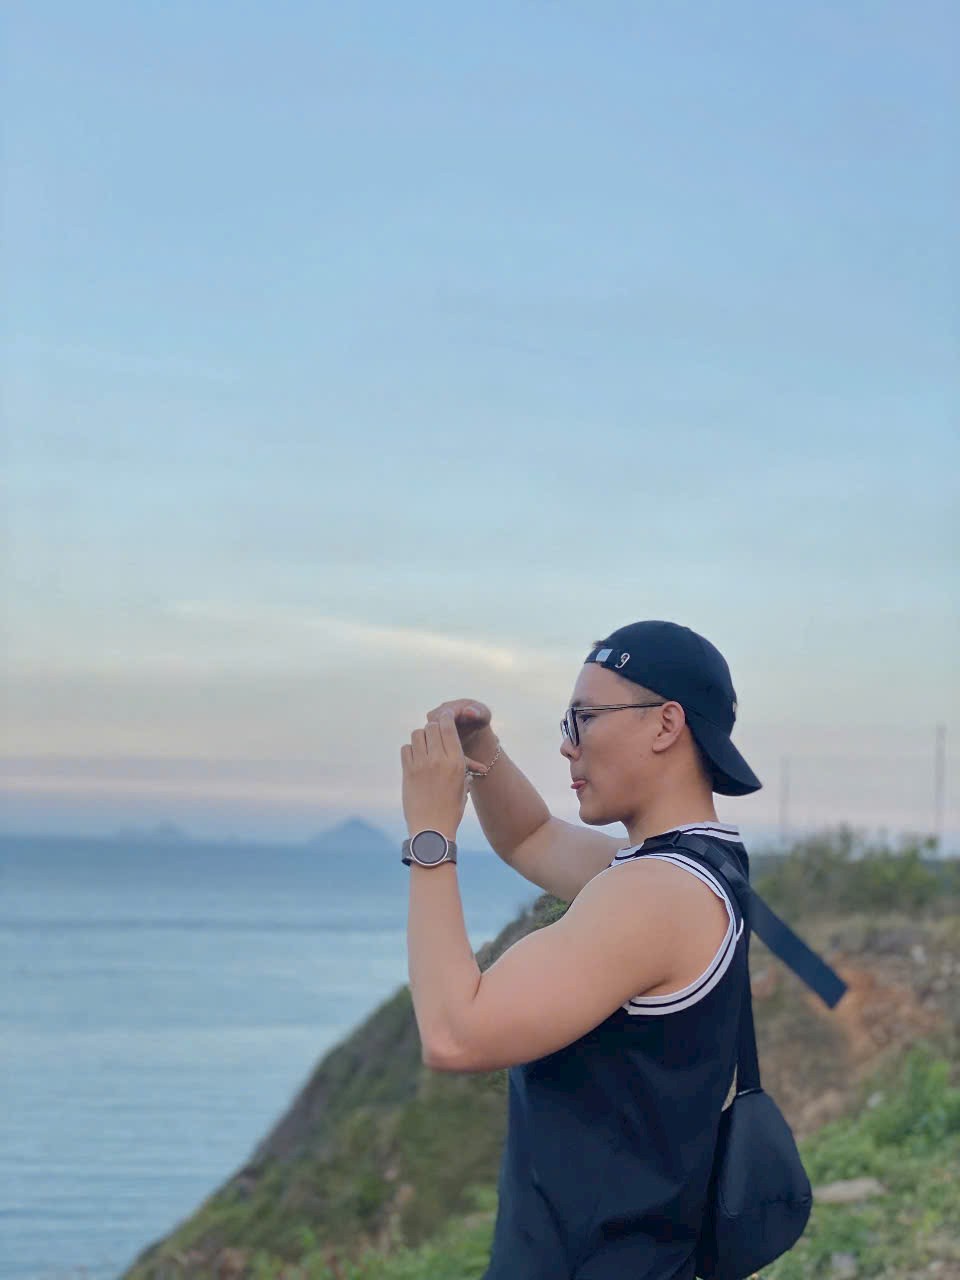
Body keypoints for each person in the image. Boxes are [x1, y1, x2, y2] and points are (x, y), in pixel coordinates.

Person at [428, 620, 762, 1280]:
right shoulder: (694, 865)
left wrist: (429, 836)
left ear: (665, 724)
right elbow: (530, 837)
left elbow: (453, 1034)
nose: (566, 744)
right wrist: (480, 752)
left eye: (584, 719)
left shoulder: (655, 894)